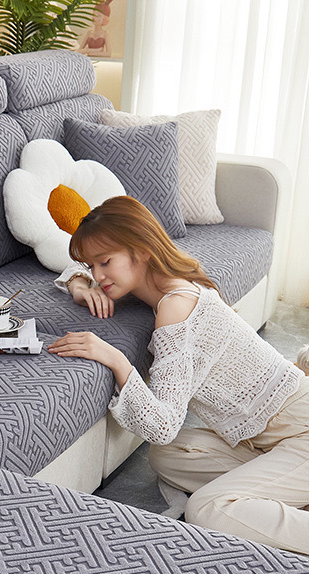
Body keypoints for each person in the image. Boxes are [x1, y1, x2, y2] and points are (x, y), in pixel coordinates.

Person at [48, 195, 309, 555]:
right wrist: (80, 284)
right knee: (167, 455)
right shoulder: (172, 283)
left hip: (300, 431)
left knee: (208, 508)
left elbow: (163, 424)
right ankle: (285, 492)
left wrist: (117, 361)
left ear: (142, 250)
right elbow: (70, 269)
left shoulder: (176, 307)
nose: (99, 275)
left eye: (105, 262)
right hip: (264, 437)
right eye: (91, 266)